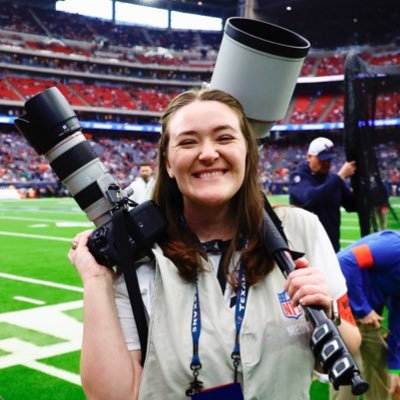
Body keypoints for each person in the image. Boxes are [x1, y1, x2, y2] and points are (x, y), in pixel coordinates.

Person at [68, 89, 360, 400]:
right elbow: (112, 396)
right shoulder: (139, 252)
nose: (208, 153)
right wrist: (96, 282)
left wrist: (326, 312)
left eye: (224, 138)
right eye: (188, 141)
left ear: (247, 150)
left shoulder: (301, 231)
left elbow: (351, 344)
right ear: (167, 163)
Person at [331, 230, 400, 400]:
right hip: (342, 308)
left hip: (365, 315)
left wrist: (395, 368)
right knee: (349, 372)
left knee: (379, 362)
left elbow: (397, 320)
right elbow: (347, 261)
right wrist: (364, 309)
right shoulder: (393, 247)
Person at [289, 137, 357, 252]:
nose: (326, 163)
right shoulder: (298, 177)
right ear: (309, 156)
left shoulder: (332, 179)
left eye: (329, 159)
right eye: (322, 159)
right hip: (306, 248)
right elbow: (310, 197)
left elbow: (352, 205)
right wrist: (339, 177)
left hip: (331, 246)